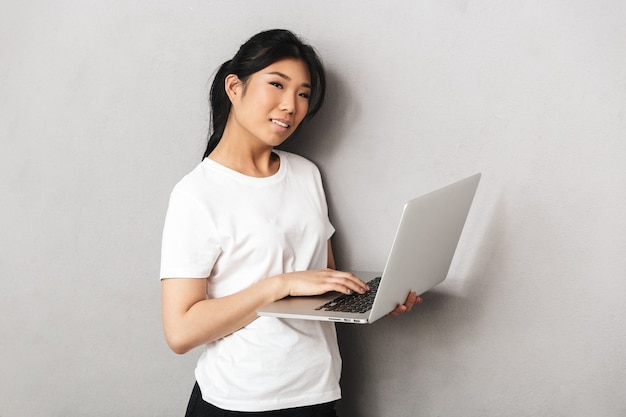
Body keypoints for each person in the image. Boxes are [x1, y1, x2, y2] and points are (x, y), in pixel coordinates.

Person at [160, 29, 422, 417]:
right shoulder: (196, 193)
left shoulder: (305, 174)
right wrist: (279, 286)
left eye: (302, 93)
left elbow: (321, 279)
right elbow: (180, 332)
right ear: (235, 87)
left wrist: (376, 299)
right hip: (240, 400)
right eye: (277, 85)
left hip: (317, 391)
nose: (290, 105)